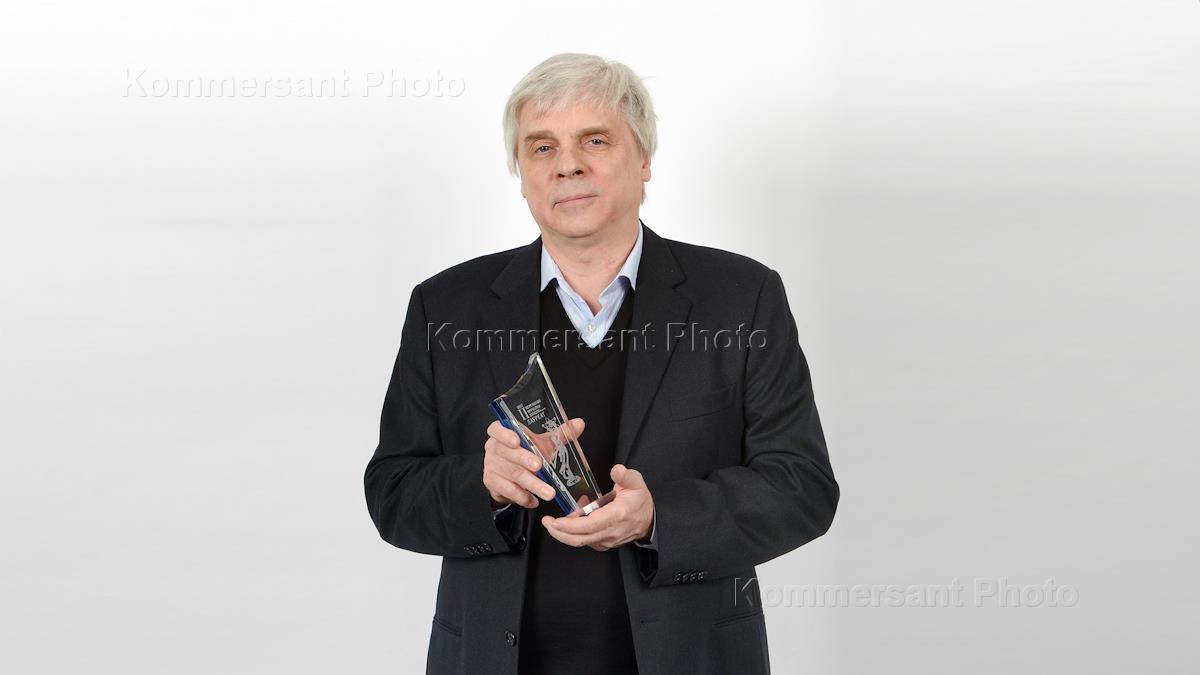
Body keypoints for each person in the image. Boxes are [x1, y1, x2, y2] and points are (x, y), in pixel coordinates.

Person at [364, 52, 839, 675]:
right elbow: (393, 492)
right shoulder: (445, 306)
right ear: (522, 173)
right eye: (542, 147)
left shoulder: (741, 298)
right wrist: (484, 485)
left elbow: (802, 487)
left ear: (644, 160)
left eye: (595, 139)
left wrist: (659, 516)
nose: (568, 165)